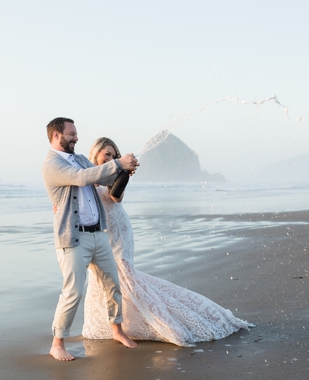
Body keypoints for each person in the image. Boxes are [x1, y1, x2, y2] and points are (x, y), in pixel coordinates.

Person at [82, 137, 252, 347]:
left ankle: (161, 322)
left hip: (118, 231)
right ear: (95, 152)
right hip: (99, 233)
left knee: (125, 277)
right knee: (103, 279)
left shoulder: (115, 174)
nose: (110, 158)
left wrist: (124, 172)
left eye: (114, 155)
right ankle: (116, 323)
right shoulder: (86, 174)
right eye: (107, 154)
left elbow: (116, 197)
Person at [41, 117, 140, 361]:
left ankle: (116, 330)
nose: (76, 138)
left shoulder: (80, 160)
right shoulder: (52, 165)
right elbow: (83, 178)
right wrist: (117, 162)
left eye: (76, 133)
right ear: (56, 135)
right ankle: (57, 343)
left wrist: (124, 171)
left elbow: (104, 180)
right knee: (73, 291)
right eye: (71, 134)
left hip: (98, 233)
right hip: (73, 239)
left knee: (112, 284)